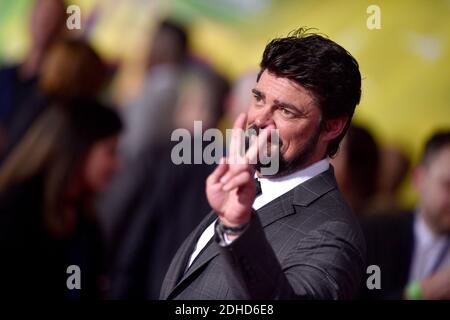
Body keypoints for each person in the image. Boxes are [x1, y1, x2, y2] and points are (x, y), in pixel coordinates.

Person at [160, 28, 366, 300]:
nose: (259, 119)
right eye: (258, 99)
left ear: (332, 126)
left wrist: (237, 226)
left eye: (285, 110)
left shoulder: (333, 233)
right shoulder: (243, 184)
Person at [0, 98, 122, 299]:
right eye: (110, 151)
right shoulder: (14, 211)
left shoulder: (84, 218)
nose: (117, 164)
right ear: (78, 148)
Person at [361, 130, 450, 300]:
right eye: (448, 185)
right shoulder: (376, 235)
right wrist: (419, 294)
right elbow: (368, 293)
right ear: (419, 179)